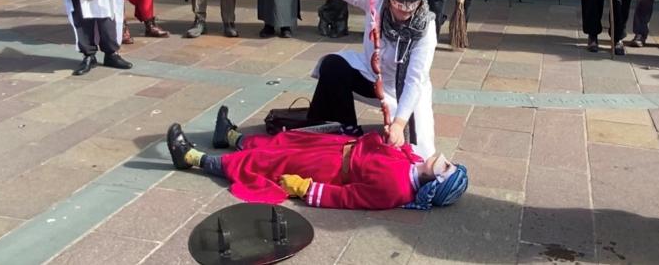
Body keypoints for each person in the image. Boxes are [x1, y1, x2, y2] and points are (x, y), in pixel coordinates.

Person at [164, 106, 468, 210]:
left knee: (268, 162)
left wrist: (306, 188)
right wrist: (394, 134)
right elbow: (396, 148)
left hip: (331, 168)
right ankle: (230, 137)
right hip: (338, 147)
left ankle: (192, 157)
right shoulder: (414, 160)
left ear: (436, 183)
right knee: (284, 141)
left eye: (446, 167)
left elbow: (348, 197)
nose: (442, 159)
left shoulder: (396, 190)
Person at [306, 0, 437, 158]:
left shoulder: (426, 28)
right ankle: (343, 130)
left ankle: (402, 123)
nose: (406, 10)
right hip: (371, 75)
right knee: (333, 65)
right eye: (399, 2)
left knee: (420, 153)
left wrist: (399, 124)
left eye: (412, 3)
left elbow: (415, 80)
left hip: (402, 89)